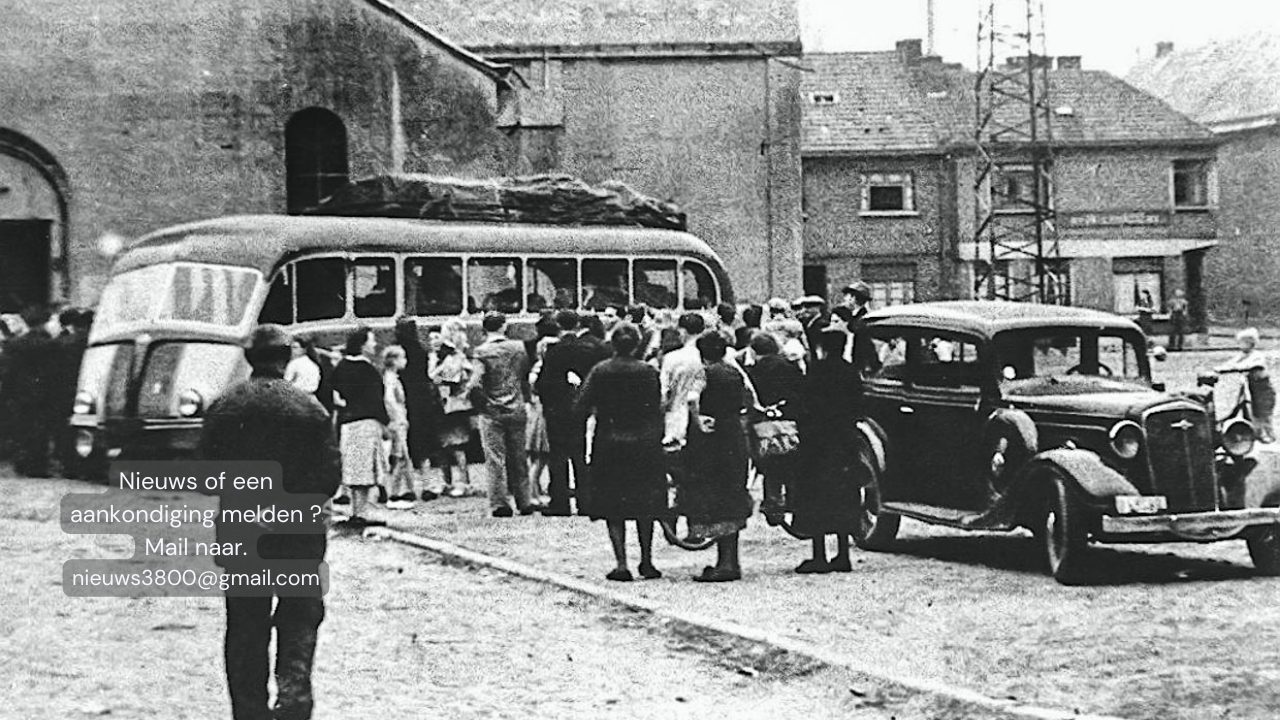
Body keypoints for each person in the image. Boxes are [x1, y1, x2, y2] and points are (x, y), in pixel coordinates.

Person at [200, 324, 341, 720]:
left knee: (246, 623)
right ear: (286, 356)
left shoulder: (224, 406)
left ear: (249, 358)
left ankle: (249, 711)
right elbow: (329, 477)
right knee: (299, 616)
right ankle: (294, 700)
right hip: (300, 533)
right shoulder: (310, 409)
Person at [575, 323, 668, 581]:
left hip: (610, 442)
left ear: (613, 343)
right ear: (637, 344)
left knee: (613, 504)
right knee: (645, 503)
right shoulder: (648, 371)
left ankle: (621, 563)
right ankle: (647, 561)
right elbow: (657, 405)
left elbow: (581, 403)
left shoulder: (600, 370)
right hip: (644, 443)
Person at [680, 332, 752, 582]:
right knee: (732, 495)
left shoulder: (704, 373)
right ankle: (731, 561)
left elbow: (691, 399)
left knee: (716, 496)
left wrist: (698, 419)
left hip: (713, 440)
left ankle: (725, 565)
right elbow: (749, 399)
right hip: (734, 434)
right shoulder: (734, 372)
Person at [794, 329, 864, 573]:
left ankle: (819, 555)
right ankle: (843, 553)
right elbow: (858, 405)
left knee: (816, 496)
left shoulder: (817, 371)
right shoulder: (851, 372)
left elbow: (805, 405)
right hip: (844, 441)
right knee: (844, 495)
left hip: (818, 444)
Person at [536, 309, 612, 515]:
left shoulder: (555, 350)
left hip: (557, 408)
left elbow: (543, 383)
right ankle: (585, 501)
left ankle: (560, 502)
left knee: (558, 455)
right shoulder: (591, 348)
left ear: (559, 326)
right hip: (583, 406)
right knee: (580, 454)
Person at [470, 311, 543, 517]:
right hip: (517, 407)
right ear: (503, 326)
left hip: (493, 412)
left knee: (496, 459)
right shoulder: (518, 347)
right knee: (519, 457)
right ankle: (524, 501)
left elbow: (474, 383)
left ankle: (500, 504)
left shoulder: (481, 352)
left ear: (485, 328)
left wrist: (484, 406)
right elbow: (524, 377)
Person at [328, 326, 389, 527]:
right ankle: (361, 513)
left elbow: (334, 394)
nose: (375, 344)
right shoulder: (368, 370)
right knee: (365, 469)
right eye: (371, 341)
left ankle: (355, 511)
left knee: (353, 468)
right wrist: (386, 423)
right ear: (362, 345)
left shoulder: (341, 367)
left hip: (347, 422)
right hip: (366, 422)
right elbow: (377, 400)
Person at [746, 333, 805, 519]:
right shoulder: (789, 367)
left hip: (764, 423)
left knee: (770, 462)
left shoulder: (753, 371)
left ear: (755, 351)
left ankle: (774, 500)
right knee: (791, 460)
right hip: (789, 421)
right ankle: (794, 499)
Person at [0, 305, 58, 476]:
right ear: (44, 323)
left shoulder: (14, 345)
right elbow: (55, 372)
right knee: (41, 430)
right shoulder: (51, 345)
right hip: (44, 393)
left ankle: (22, 463)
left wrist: (7, 394)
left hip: (20, 394)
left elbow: (9, 372)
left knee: (22, 428)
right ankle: (38, 465)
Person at [660, 312, 709, 503]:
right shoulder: (711, 354)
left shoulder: (672, 358)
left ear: (682, 330)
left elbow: (665, 392)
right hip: (705, 416)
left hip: (676, 415)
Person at [395, 318, 443, 502]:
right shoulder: (421, 351)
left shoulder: (399, 352)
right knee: (423, 447)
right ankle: (427, 485)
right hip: (422, 403)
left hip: (404, 401)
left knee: (403, 448)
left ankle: (405, 488)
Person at [429, 319, 476, 498]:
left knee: (457, 446)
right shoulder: (446, 356)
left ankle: (464, 482)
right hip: (445, 405)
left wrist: (437, 375)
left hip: (454, 405)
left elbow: (449, 378)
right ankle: (448, 482)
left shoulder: (456, 356)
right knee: (444, 446)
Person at [1217, 327, 1276, 443]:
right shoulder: (1243, 355)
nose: (1240, 345)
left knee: (1264, 412)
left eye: (1242, 343)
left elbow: (1248, 366)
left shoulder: (1257, 356)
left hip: (1264, 389)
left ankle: (1270, 435)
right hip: (1253, 388)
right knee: (1254, 410)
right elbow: (1232, 362)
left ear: (1250, 343)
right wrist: (1219, 368)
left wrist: (1227, 369)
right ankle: (1259, 433)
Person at [381, 344, 417, 509]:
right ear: (394, 360)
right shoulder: (390, 379)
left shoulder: (391, 377)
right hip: (398, 420)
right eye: (402, 357)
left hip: (399, 419)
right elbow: (389, 399)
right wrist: (397, 417)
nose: (405, 361)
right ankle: (394, 493)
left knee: (401, 457)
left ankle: (401, 490)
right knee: (400, 456)